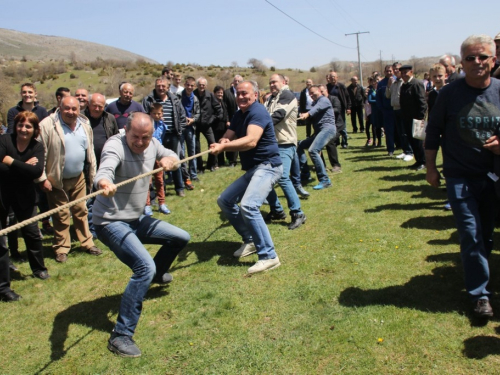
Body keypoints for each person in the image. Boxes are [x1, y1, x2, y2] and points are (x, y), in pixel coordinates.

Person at [93, 112, 190, 357]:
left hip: (137, 219)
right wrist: (104, 182)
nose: (139, 142)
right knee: (143, 268)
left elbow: (170, 153)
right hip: (110, 222)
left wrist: (170, 159)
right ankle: (121, 336)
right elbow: (105, 167)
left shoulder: (152, 144)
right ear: (126, 131)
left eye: (145, 138)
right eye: (135, 136)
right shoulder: (115, 144)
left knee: (180, 237)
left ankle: (157, 275)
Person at [425, 34, 500, 318]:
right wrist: (431, 167)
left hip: (493, 176)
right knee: (470, 234)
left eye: (483, 57)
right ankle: (480, 295)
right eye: (470, 58)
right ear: (462, 62)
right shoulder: (448, 94)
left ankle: (480, 274)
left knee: (486, 234)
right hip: (460, 176)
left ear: (493, 61)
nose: (477, 62)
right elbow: (433, 132)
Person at [210, 81, 283, 274]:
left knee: (249, 206)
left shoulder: (257, 112)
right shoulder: (238, 114)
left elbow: (251, 141)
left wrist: (224, 147)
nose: (241, 97)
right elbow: (230, 133)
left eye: (245, 93)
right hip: (253, 169)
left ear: (255, 94)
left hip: (268, 166)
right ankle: (250, 240)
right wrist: (224, 140)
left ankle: (269, 256)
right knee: (225, 200)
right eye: (238, 93)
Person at [37, 96, 102, 263]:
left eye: (74, 109)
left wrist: (92, 175)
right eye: (67, 108)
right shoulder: (47, 125)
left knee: (81, 210)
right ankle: (61, 248)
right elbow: (40, 152)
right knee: (61, 214)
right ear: (60, 107)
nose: (71, 112)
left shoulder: (84, 125)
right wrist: (43, 178)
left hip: (79, 177)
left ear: (79, 109)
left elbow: (90, 151)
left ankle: (87, 242)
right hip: (56, 179)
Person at [0, 112, 49, 291]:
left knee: (32, 233)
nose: (23, 129)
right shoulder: (5, 140)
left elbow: (36, 172)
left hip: (25, 196)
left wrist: (11, 161)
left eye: (28, 126)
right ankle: (6, 273)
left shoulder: (37, 146)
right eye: (21, 125)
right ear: (16, 126)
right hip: (2, 196)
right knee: (2, 237)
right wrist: (24, 165)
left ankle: (39, 269)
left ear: (35, 129)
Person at [264, 74, 306, 230]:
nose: (272, 85)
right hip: (272, 144)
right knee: (265, 176)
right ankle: (276, 210)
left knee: (282, 177)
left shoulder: (287, 95)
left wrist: (257, 124)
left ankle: (298, 213)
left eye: (274, 81)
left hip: (285, 143)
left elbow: (277, 116)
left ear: (283, 82)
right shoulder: (270, 99)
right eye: (270, 83)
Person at [142, 77, 187, 197]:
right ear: (155, 86)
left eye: (163, 86)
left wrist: (180, 130)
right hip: (156, 138)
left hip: (173, 135)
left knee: (175, 160)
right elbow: (144, 116)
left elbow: (182, 116)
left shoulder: (174, 99)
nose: (161, 88)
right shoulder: (148, 100)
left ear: (168, 87)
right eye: (158, 86)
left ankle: (179, 187)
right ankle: (162, 190)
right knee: (158, 164)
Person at [84, 93, 120, 237]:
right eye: (95, 105)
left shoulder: (109, 118)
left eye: (101, 106)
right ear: (88, 104)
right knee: (91, 198)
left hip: (107, 162)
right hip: (87, 165)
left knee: (108, 194)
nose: (98, 108)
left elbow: (116, 137)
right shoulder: (82, 120)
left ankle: (108, 222)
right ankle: (93, 229)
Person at [298, 85, 336, 190]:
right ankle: (306, 174)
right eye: (309, 94)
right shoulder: (315, 102)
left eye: (313, 92)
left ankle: (325, 180)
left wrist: (307, 114)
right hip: (319, 131)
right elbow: (310, 113)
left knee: (313, 151)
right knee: (299, 145)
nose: (311, 95)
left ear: (319, 90)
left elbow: (315, 109)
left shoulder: (324, 100)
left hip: (327, 129)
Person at [144, 103, 172, 215]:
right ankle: (147, 205)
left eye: (159, 113)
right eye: (154, 113)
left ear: (162, 113)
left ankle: (162, 203)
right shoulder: (147, 125)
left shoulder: (162, 125)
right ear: (150, 114)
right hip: (147, 155)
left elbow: (162, 138)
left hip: (158, 155)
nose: (156, 115)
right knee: (147, 181)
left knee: (160, 180)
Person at [399, 65, 427, 170]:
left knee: (418, 142)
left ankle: (423, 162)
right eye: (402, 73)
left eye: (405, 72)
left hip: (417, 118)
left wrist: (420, 118)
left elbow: (422, 102)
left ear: (411, 72)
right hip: (407, 118)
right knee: (412, 141)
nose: (403, 75)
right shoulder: (404, 85)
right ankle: (418, 160)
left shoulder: (416, 84)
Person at [194, 77, 222, 173]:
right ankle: (199, 167)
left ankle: (211, 165)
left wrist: (211, 120)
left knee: (212, 144)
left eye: (203, 85)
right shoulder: (193, 94)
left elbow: (219, 110)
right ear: (197, 85)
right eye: (200, 84)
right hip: (196, 125)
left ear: (206, 86)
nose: (201, 86)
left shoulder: (210, 95)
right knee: (196, 147)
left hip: (207, 125)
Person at [178, 76, 200, 186]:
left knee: (192, 152)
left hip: (191, 128)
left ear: (194, 86)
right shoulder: (178, 97)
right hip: (181, 128)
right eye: (188, 85)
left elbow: (198, 113)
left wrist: (193, 119)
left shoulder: (195, 99)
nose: (190, 87)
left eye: (192, 86)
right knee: (181, 153)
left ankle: (194, 174)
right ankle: (184, 176)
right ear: (185, 84)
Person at [326, 71, 350, 148]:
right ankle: (335, 142)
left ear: (337, 77)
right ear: (329, 78)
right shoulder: (327, 87)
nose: (332, 78)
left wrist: (348, 108)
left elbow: (347, 97)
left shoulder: (341, 86)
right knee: (333, 126)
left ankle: (344, 142)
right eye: (331, 76)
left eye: (334, 76)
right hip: (331, 109)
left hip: (341, 109)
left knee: (343, 126)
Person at [223, 75, 243, 167]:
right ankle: (232, 161)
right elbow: (224, 108)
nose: (237, 82)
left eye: (239, 81)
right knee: (232, 140)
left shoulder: (244, 92)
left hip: (243, 118)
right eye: (235, 81)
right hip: (231, 120)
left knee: (242, 139)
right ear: (233, 81)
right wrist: (227, 120)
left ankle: (243, 159)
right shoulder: (227, 93)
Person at [212, 85, 229, 169]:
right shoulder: (212, 103)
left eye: (221, 93)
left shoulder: (223, 103)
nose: (220, 94)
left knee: (221, 143)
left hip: (223, 127)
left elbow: (226, 113)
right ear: (214, 93)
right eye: (218, 93)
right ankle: (215, 163)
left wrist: (227, 121)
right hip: (215, 127)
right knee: (215, 144)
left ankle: (221, 162)